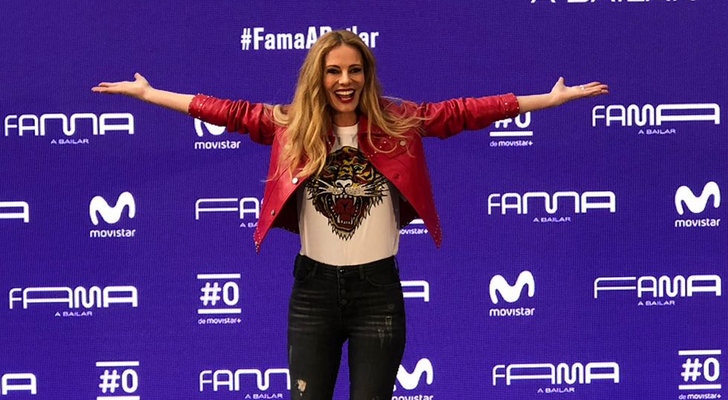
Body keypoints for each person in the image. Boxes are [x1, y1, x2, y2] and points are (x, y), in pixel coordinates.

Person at [92, 30, 608, 400]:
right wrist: (149, 94)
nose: (345, 80)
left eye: (354, 70)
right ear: (318, 76)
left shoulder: (400, 121)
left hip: (377, 292)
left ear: (367, 75)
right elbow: (226, 111)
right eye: (334, 70)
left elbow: (466, 112)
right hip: (313, 292)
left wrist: (548, 101)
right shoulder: (289, 126)